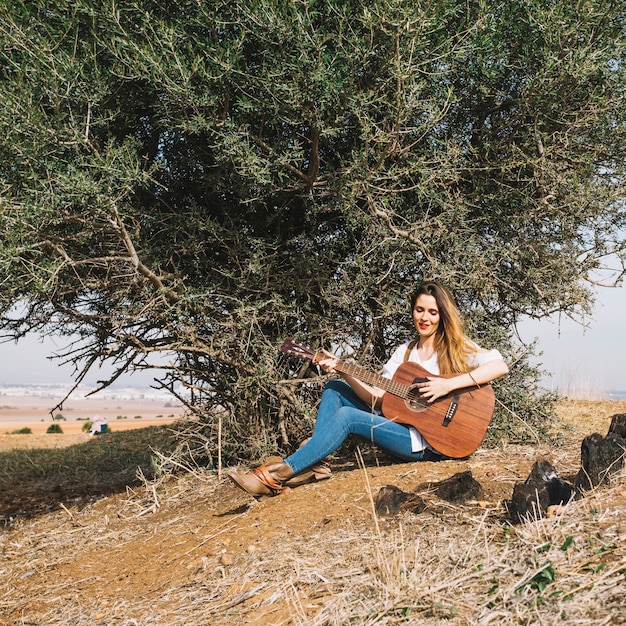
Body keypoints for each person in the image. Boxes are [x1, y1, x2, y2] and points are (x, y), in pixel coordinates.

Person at [228, 280, 509, 496]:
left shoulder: (455, 347)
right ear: (412, 311)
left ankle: (273, 475)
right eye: (420, 309)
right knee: (336, 387)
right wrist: (343, 370)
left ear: (442, 315)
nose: (425, 317)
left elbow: (499, 366)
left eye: (433, 312)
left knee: (348, 418)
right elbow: (378, 399)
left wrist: (448, 384)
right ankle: (317, 462)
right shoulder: (405, 354)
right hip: (402, 428)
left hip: (431, 444)